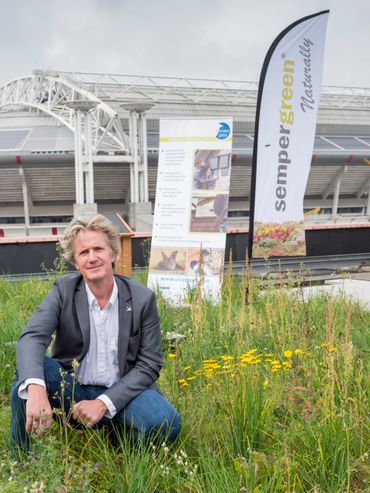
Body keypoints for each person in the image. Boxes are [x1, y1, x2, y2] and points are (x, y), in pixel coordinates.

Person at [10, 214, 181, 454]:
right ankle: (21, 461)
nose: (92, 258)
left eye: (98, 249)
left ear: (112, 254)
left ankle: (119, 450)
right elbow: (32, 338)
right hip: (72, 389)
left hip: (121, 393)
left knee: (167, 423)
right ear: (76, 262)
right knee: (27, 376)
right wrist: (37, 391)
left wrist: (104, 403)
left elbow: (150, 364)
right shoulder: (64, 290)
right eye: (83, 252)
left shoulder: (142, 299)